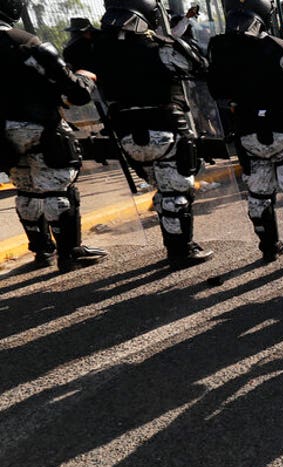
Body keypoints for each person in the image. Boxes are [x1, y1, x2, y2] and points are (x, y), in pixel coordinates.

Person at [67, 0, 214, 268]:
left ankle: (175, 244)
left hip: (127, 135)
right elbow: (199, 66)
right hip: (165, 130)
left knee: (162, 190)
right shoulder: (157, 47)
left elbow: (72, 57)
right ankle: (180, 251)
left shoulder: (95, 48)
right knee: (176, 193)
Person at [206, 0, 283, 266]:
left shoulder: (218, 47)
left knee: (259, 191)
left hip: (247, 129)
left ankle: (268, 247)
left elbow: (216, 91)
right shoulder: (279, 47)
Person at [1, 0, 108, 272]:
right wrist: (84, 77)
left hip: (4, 135)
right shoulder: (23, 42)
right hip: (39, 127)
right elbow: (75, 91)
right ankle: (69, 253)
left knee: (25, 189)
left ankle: (41, 251)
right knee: (58, 189)